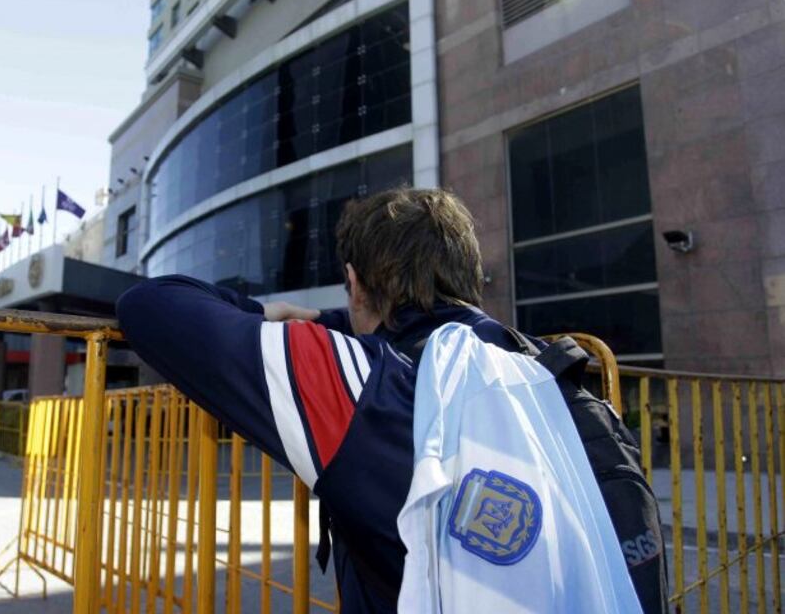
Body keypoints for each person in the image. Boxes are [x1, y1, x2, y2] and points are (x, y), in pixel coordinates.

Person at [115, 188, 641, 612]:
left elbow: (151, 304)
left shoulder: (365, 384)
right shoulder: (545, 370)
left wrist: (273, 312)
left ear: (353, 283)